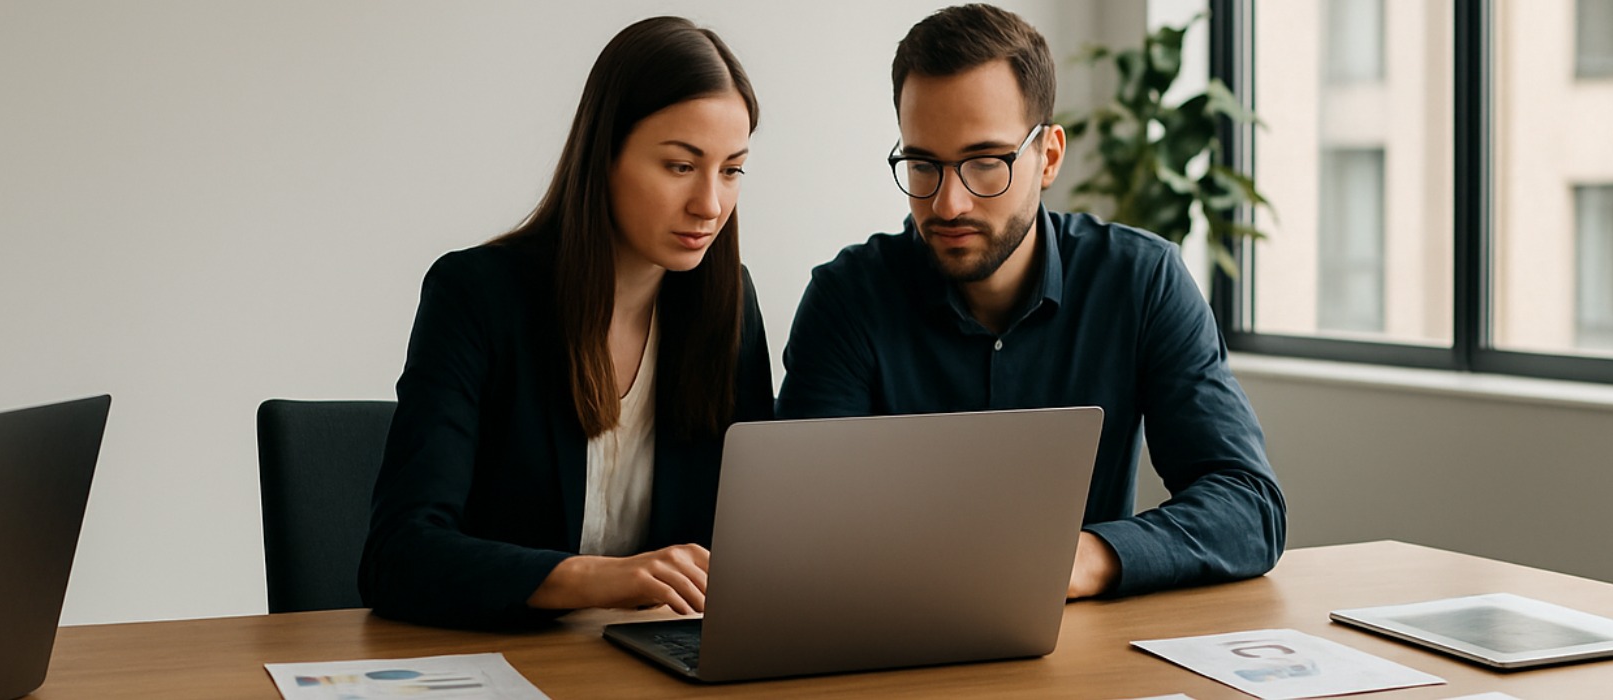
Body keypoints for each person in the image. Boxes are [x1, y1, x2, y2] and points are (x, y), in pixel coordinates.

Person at [776, 3, 1285, 599]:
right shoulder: (848, 298)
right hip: (892, 641)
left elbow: (1248, 506)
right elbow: (796, 527)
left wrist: (1088, 558)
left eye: (984, 163)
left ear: (1048, 157)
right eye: (923, 165)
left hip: (1079, 648)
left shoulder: (1141, 281)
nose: (948, 205)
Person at [360, 16, 770, 629]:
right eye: (680, 166)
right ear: (604, 156)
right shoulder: (477, 296)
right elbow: (398, 555)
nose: (710, 204)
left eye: (731, 169)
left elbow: (757, 541)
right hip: (507, 660)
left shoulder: (726, 306)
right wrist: (595, 578)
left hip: (660, 663)